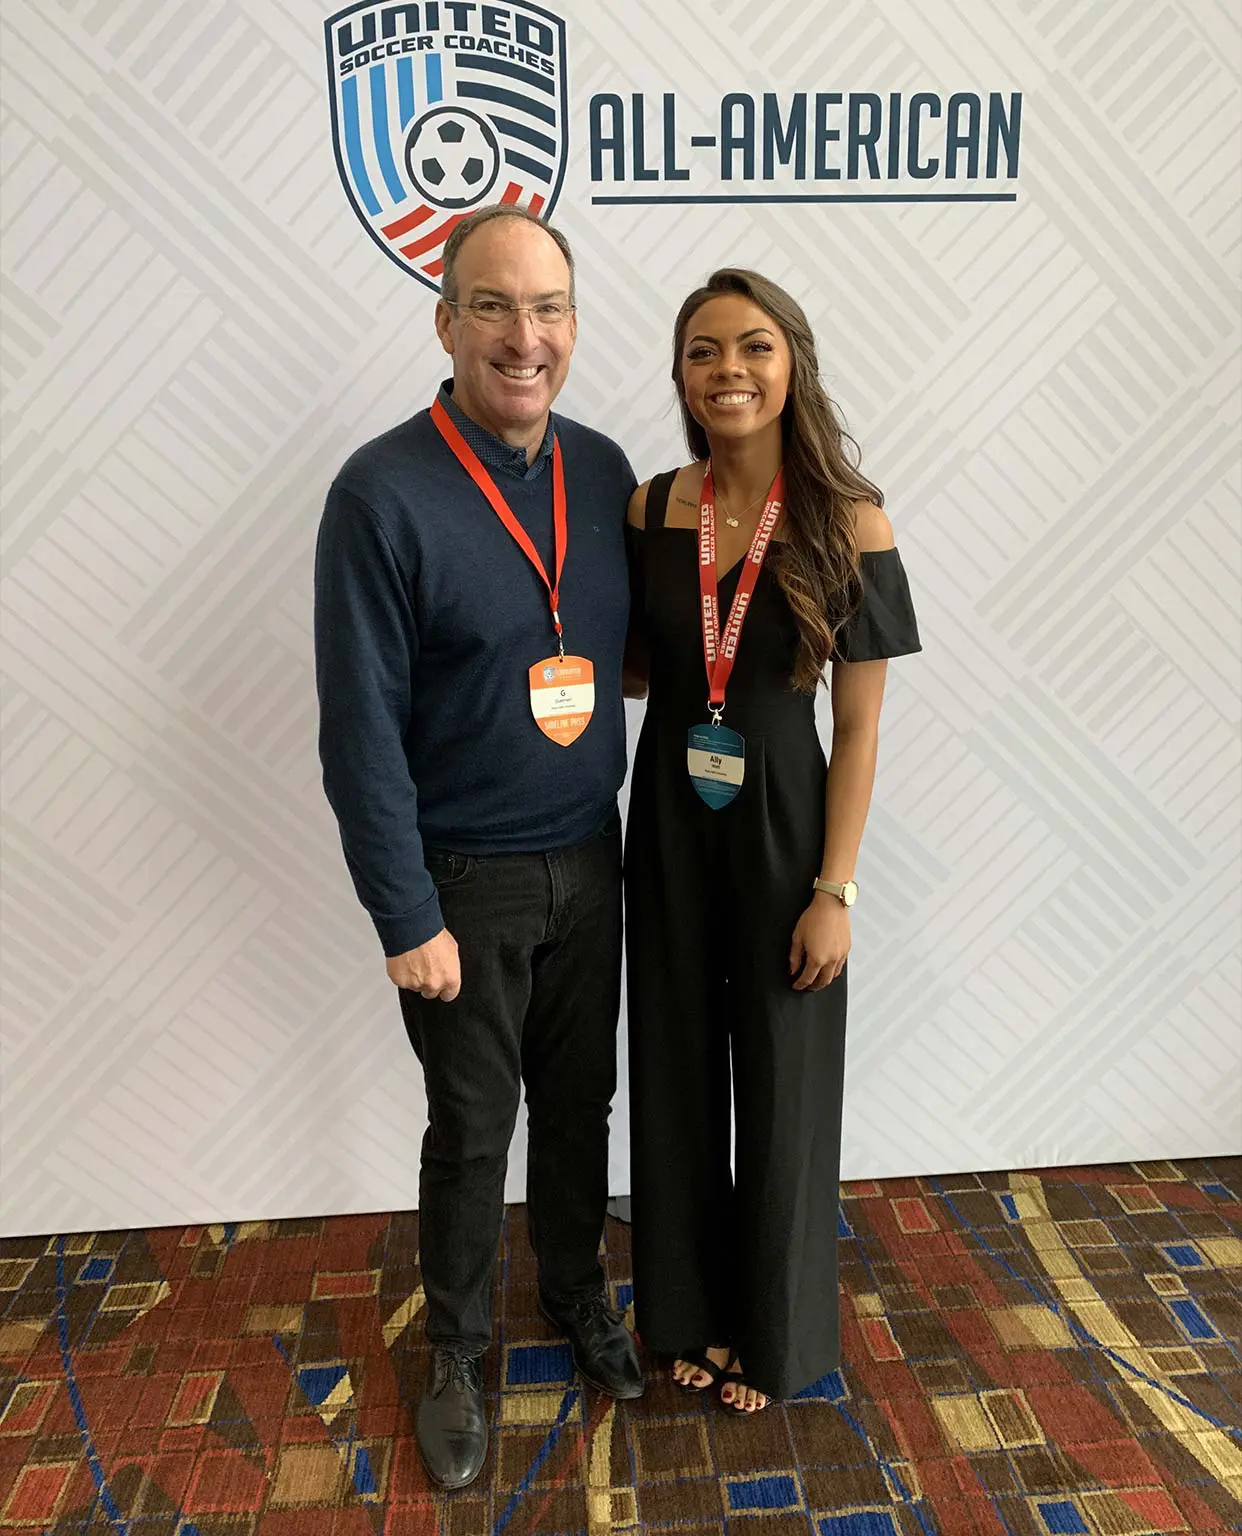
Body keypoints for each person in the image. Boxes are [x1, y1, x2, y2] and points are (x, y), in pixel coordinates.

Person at [314, 205, 644, 1491]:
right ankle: (455, 1349)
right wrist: (407, 918)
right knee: (471, 1127)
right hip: (465, 881)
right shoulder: (379, 492)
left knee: (582, 1102)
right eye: (495, 306)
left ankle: (574, 1288)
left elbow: (633, 656)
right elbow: (360, 736)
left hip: (592, 859)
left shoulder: (607, 469)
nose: (526, 335)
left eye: (549, 307)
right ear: (446, 322)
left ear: (573, 325)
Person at [623, 268, 921, 1412]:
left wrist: (834, 888)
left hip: (787, 821)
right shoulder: (651, 508)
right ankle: (690, 1317)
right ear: (682, 375)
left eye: (753, 346)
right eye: (703, 351)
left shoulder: (851, 518)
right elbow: (645, 660)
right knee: (677, 1067)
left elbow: (858, 723)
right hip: (668, 817)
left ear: (792, 362)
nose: (729, 370)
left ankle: (779, 1331)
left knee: (787, 1084)